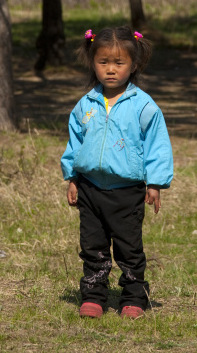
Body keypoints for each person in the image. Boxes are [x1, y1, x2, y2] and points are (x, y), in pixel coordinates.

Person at [61, 25, 173, 320]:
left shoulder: (143, 106)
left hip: (127, 191)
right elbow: (75, 143)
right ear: (92, 62)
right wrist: (72, 178)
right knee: (92, 247)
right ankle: (94, 296)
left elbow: (157, 145)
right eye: (103, 62)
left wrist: (156, 183)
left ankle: (134, 297)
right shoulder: (86, 104)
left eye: (119, 63)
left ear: (133, 64)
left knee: (128, 248)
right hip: (89, 187)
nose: (110, 69)